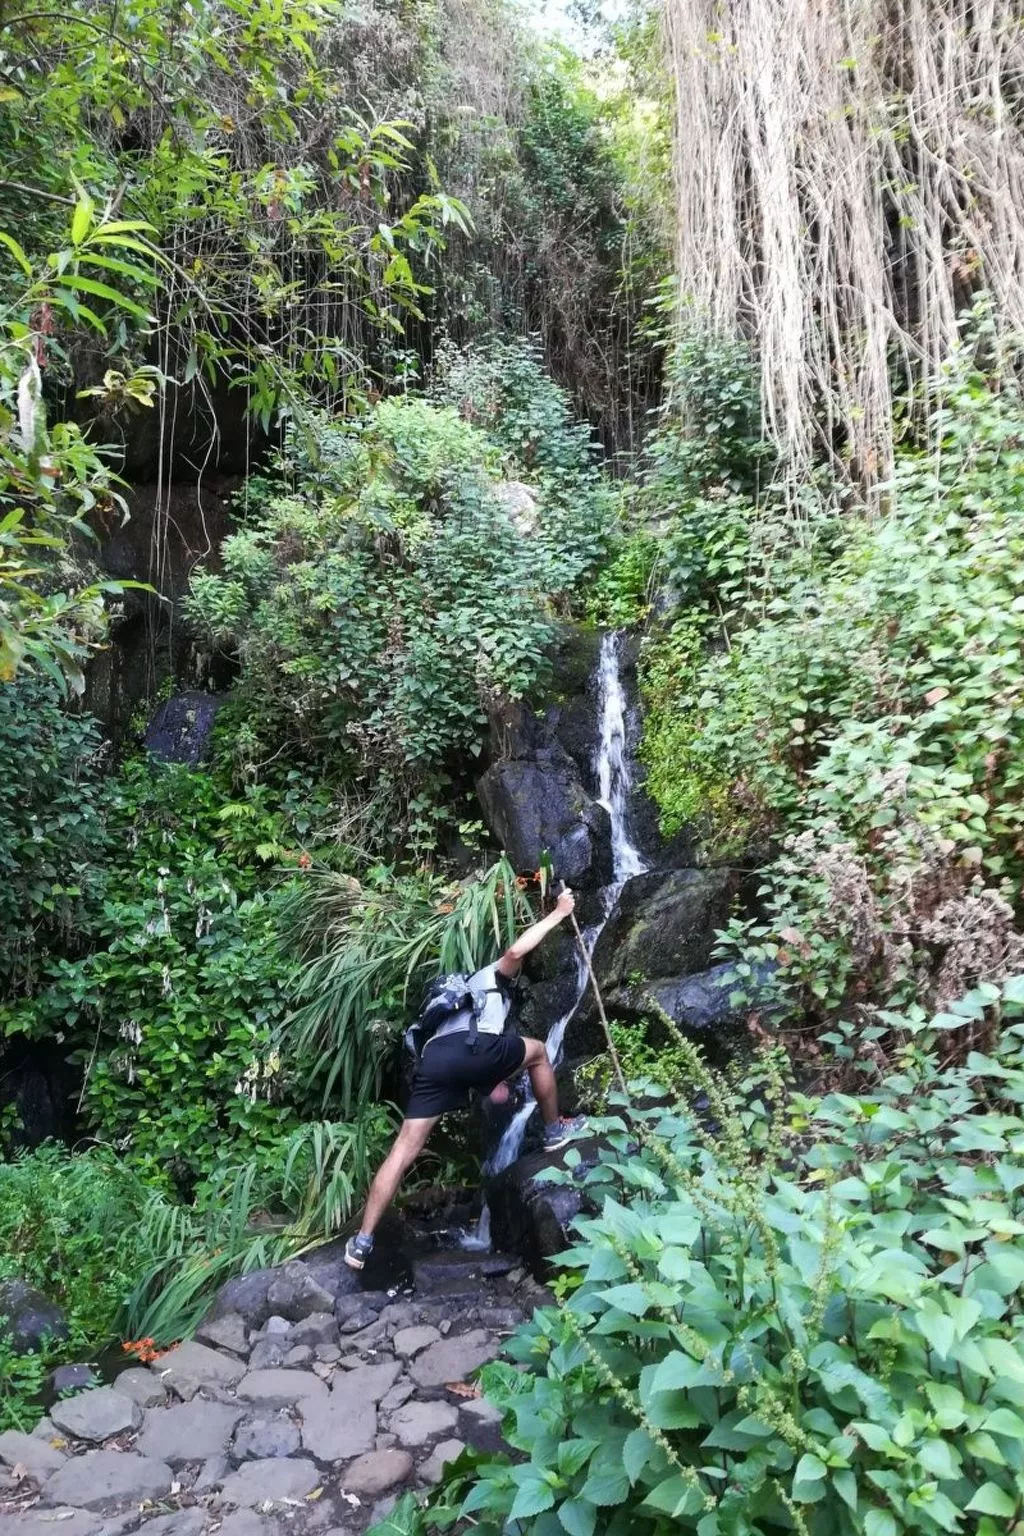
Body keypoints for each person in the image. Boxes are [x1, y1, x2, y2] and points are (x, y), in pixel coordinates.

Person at [344, 886, 587, 1270]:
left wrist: (499, 1087)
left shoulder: (453, 1012)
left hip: (435, 1062)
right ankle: (556, 1130)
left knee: (402, 1151)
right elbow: (514, 952)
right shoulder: (490, 977)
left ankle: (362, 1242)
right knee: (539, 1052)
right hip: (473, 1050)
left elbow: (488, 1086)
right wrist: (558, 913)